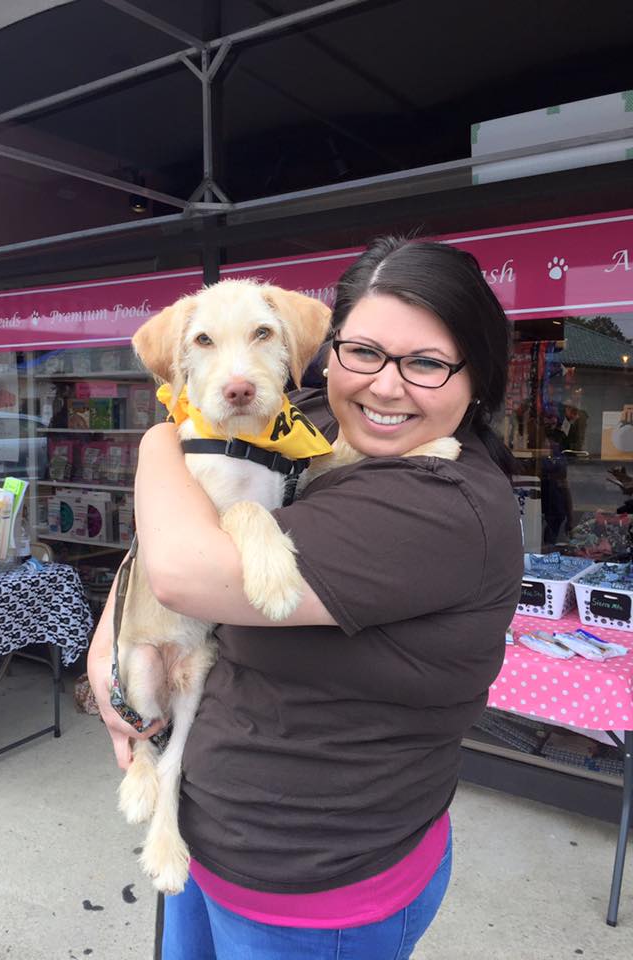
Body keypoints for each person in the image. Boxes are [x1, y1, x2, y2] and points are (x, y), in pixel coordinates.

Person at [87, 237, 524, 960]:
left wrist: (155, 444)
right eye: (365, 353)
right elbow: (157, 548)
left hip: (311, 894)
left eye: (426, 362)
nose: (385, 387)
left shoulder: (442, 510)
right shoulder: (308, 417)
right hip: (202, 845)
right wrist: (111, 653)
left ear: (477, 375)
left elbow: (184, 568)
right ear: (328, 350)